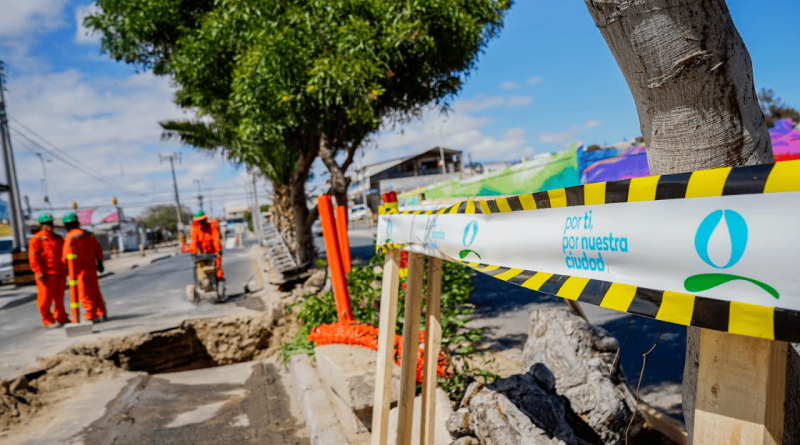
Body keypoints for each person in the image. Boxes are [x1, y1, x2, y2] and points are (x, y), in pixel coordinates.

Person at [62, 212, 108, 323]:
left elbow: (66, 255)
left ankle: (91, 316)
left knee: (85, 294)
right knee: (95, 292)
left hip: (79, 271)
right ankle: (101, 312)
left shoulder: (70, 237)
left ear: (66, 225)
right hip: (92, 268)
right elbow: (98, 249)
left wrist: (64, 267)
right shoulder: (88, 234)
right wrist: (100, 263)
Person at [28, 213, 69, 328]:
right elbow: (33, 258)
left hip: (59, 273)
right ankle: (47, 320)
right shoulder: (35, 239)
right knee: (44, 300)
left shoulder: (58, 238)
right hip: (45, 275)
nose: (49, 225)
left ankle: (61, 317)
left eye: (50, 223)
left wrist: (67, 269)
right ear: (41, 225)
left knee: (59, 299)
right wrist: (38, 271)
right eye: (47, 224)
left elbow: (64, 255)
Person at [189, 210, 224, 281]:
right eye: (199, 221)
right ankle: (201, 282)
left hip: (213, 252)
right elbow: (193, 242)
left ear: (205, 219)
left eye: (202, 220)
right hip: (202, 254)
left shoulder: (212, 226)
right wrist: (193, 252)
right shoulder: (195, 230)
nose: (201, 222)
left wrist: (218, 250)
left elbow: (216, 239)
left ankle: (218, 281)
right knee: (199, 268)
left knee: (217, 267)